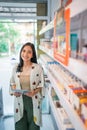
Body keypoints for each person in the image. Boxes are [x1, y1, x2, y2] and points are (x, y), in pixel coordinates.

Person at [9, 42, 45, 130]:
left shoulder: (38, 68)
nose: (25, 54)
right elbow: (12, 83)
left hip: (33, 101)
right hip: (19, 100)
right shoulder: (16, 67)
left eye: (29, 52)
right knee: (20, 125)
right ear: (21, 52)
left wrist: (34, 92)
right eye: (24, 51)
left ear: (33, 55)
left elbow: (41, 84)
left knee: (34, 126)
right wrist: (15, 91)